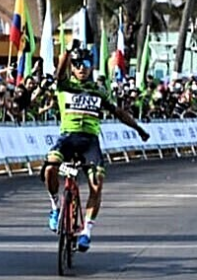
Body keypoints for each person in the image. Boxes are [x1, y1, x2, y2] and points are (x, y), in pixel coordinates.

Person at [43, 42, 150, 253]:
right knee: (50, 168)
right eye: (77, 64)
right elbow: (59, 73)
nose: (81, 68)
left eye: (85, 64)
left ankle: (86, 231)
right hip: (68, 138)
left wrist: (138, 129)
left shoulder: (99, 92)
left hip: (89, 141)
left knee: (97, 184)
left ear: (91, 66)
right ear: (72, 66)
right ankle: (55, 207)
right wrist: (67, 51)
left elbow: (119, 113)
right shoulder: (65, 86)